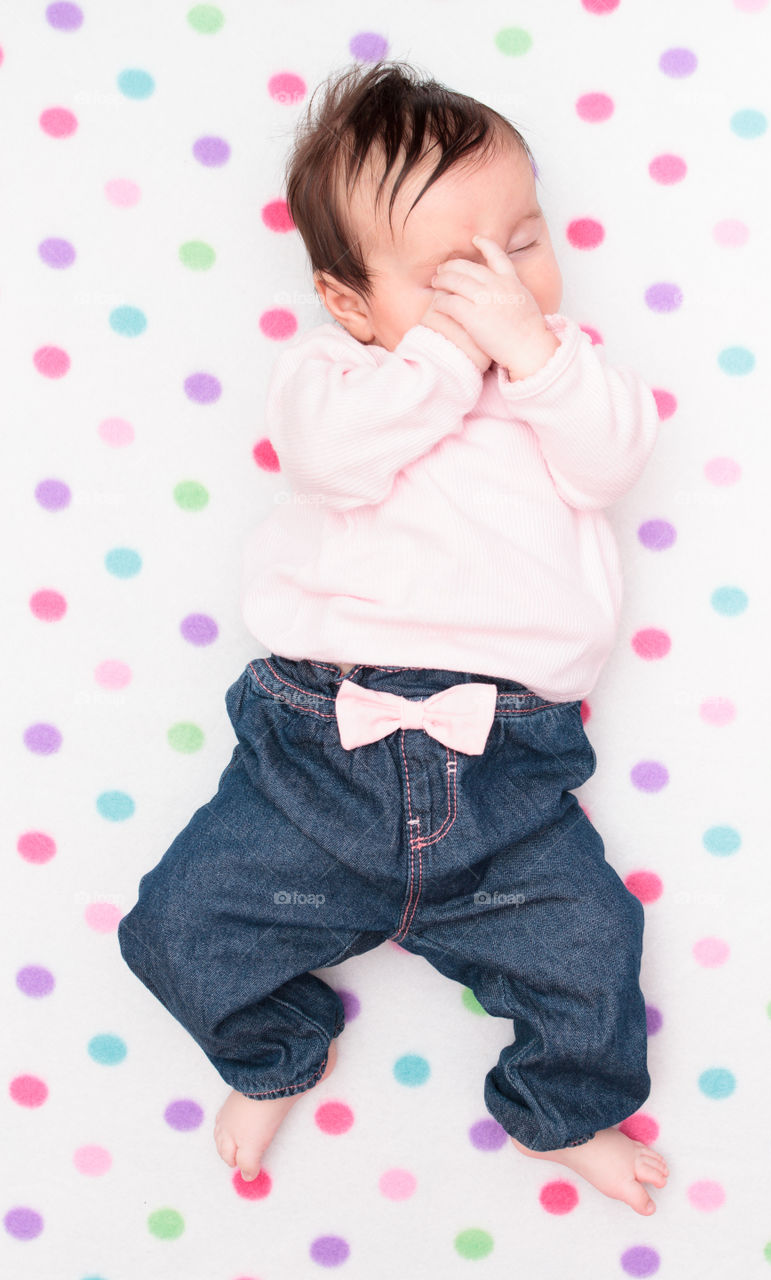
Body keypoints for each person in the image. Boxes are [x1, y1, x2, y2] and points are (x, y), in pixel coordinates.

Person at [118, 59, 669, 1216]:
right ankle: (274, 1046)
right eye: (446, 274)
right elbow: (334, 461)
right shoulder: (335, 374)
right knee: (178, 924)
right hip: (316, 745)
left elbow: (611, 458)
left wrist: (529, 350)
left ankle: (562, 1109)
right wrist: (439, 355)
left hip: (506, 763)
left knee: (591, 943)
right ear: (352, 301)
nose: (496, 289)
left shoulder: (560, 378)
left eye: (520, 245)